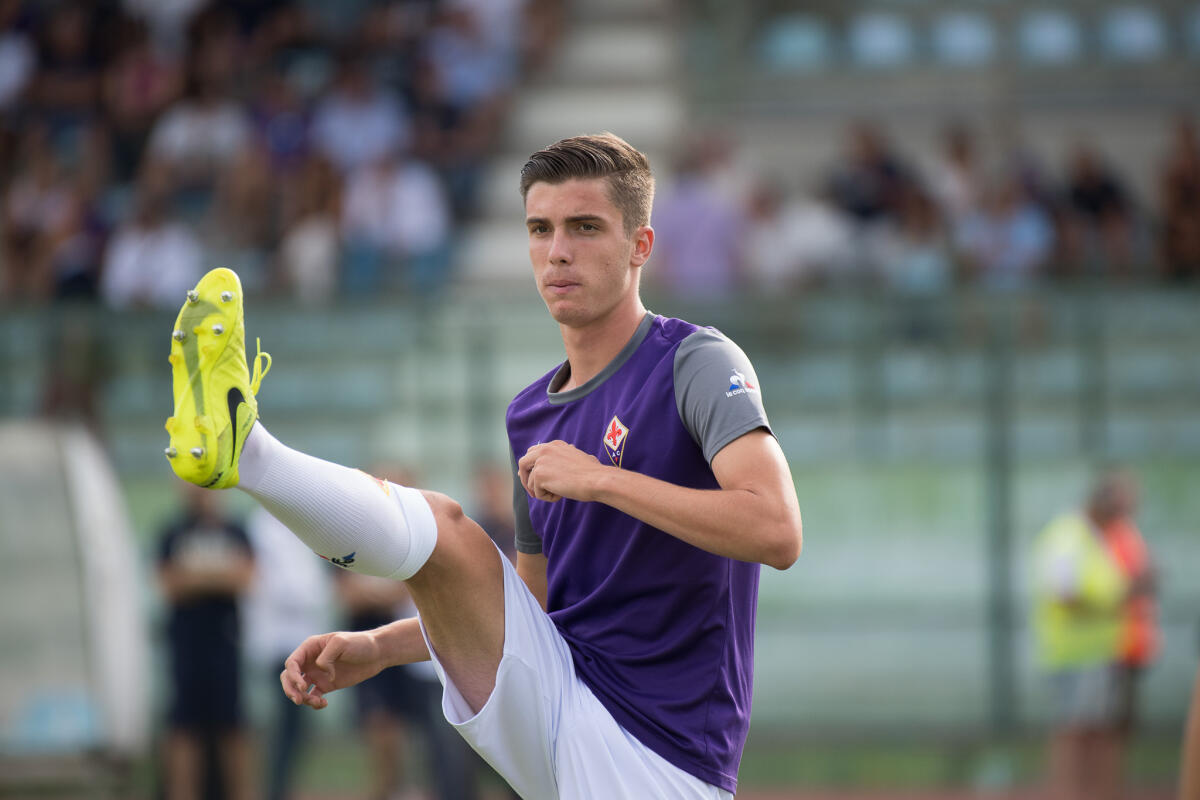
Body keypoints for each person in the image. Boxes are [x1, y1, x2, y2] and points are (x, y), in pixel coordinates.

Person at [162, 132, 803, 799]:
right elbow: (524, 609)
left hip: (657, 753)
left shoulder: (696, 362)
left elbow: (777, 530)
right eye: (540, 228)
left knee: (449, 533)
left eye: (586, 227)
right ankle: (246, 451)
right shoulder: (531, 413)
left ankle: (252, 452)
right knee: (448, 533)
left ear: (639, 246)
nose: (558, 250)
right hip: (558, 703)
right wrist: (380, 648)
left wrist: (601, 480)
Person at [1032, 471, 1137, 800]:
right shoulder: (1069, 537)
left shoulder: (1095, 537)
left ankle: (1094, 792)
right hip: (1076, 653)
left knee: (1098, 729)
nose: (1125, 516)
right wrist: (1113, 606)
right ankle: (1073, 793)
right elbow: (1064, 593)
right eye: (1121, 507)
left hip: (1095, 651)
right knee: (1077, 731)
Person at [157, 482, 256, 800]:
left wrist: (194, 576)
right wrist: (218, 576)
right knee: (185, 728)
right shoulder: (172, 533)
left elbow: (246, 578)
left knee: (232, 727)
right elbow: (170, 584)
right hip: (186, 645)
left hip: (225, 645)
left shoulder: (235, 531)